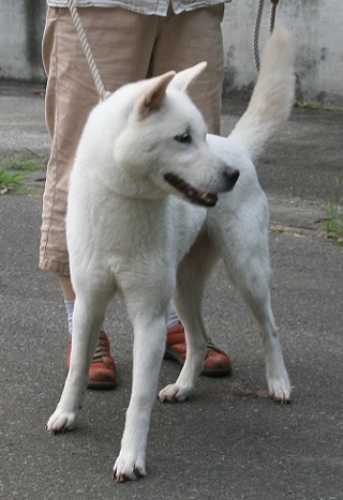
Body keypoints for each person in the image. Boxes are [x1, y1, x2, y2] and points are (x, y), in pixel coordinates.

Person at [40, 0, 233, 390]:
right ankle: (83, 327)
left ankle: (169, 318)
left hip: (193, 5)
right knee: (81, 157)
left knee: (193, 155)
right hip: (101, 4)